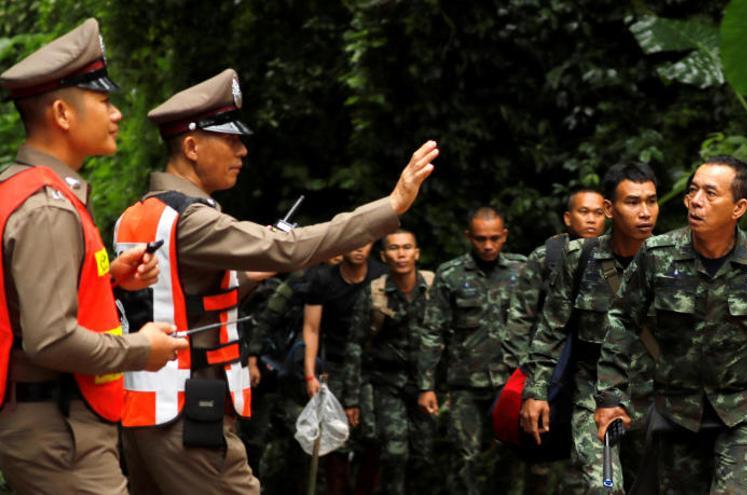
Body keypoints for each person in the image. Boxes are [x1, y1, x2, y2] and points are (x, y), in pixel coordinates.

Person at [113, 68, 438, 494]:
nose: (242, 151)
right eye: (231, 140)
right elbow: (287, 248)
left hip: (147, 404)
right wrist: (391, 205)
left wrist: (246, 275)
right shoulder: (193, 218)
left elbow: (179, 300)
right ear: (192, 146)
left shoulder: (140, 214)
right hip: (187, 408)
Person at [0, 18, 187, 494]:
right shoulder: (48, 208)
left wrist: (111, 282)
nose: (118, 114)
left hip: (53, 424)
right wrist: (141, 350)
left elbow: (25, 305)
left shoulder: (20, 188)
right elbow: (50, 339)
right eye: (104, 102)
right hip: (60, 435)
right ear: (62, 114)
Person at [594, 156, 747, 494]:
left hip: (745, 412)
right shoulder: (657, 255)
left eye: (710, 194)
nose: (695, 201)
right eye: (692, 191)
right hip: (679, 415)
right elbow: (621, 319)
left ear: (738, 207)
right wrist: (611, 395)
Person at [519, 163, 659, 493]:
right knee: (603, 488)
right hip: (592, 396)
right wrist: (535, 391)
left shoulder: (672, 259)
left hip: (657, 400)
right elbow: (551, 328)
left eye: (651, 201)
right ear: (610, 208)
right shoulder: (578, 257)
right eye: (633, 202)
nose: (645, 212)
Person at [501, 186, 607, 494]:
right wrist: (524, 376)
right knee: (541, 458)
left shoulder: (615, 254)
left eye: (598, 213)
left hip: (594, 371)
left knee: (585, 457)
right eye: (584, 212)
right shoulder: (546, 257)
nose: (591, 219)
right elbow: (520, 318)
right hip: (550, 371)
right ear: (568, 217)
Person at [416, 206, 527, 495]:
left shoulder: (522, 270)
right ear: (468, 237)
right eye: (480, 239)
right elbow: (432, 330)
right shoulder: (450, 274)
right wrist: (426, 385)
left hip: (511, 383)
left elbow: (541, 325)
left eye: (494, 238)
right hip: (465, 384)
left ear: (504, 236)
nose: (487, 245)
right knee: (464, 458)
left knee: (511, 459)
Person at [341, 229, 437, 495]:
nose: (401, 254)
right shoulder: (374, 294)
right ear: (384, 256)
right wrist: (351, 398)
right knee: (394, 454)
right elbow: (355, 346)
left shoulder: (433, 288)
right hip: (387, 384)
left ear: (416, 253)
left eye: (407, 247)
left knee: (425, 456)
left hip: (427, 385)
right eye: (394, 249)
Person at [302, 242, 387, 495]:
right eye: (354, 242)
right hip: (336, 364)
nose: (360, 248)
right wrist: (310, 374)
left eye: (366, 242)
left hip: (374, 367)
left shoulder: (381, 276)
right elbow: (311, 328)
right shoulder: (323, 279)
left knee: (374, 438)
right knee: (335, 439)